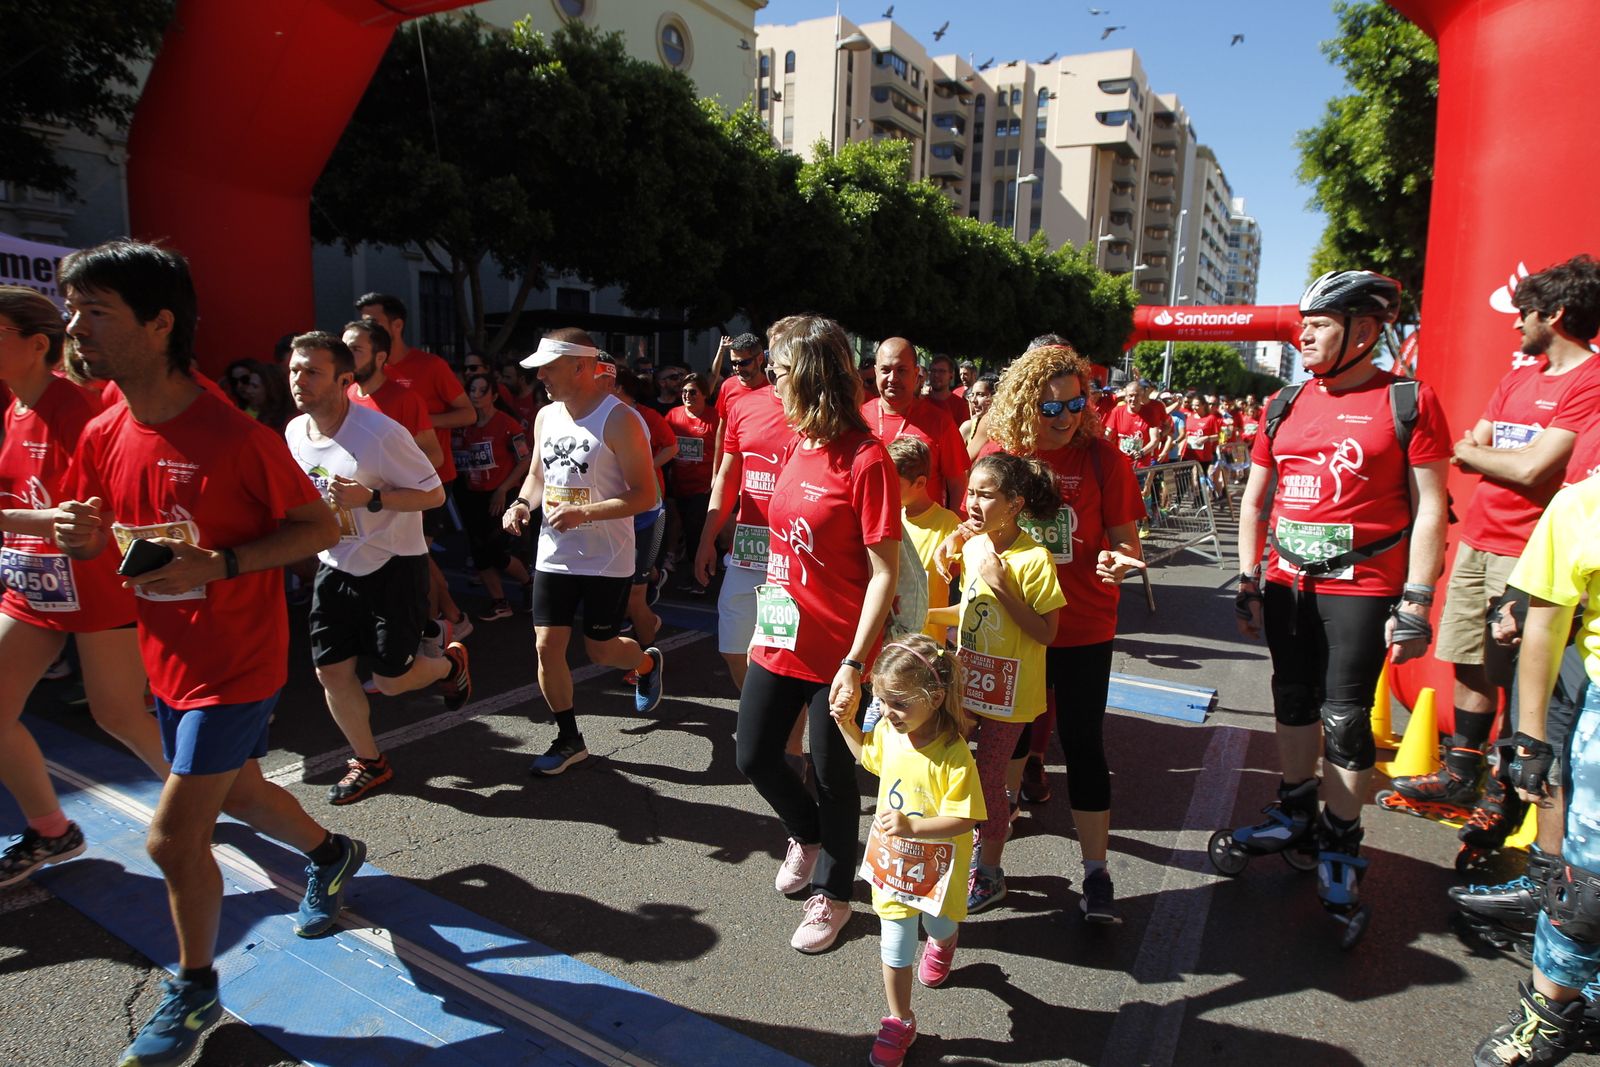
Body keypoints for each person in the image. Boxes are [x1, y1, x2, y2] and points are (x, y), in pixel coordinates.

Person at [51, 241, 364, 1065]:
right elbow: (108, 537)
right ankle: (333, 853)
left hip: (238, 662)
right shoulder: (104, 428)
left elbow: (318, 528)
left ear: (160, 325)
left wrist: (220, 564)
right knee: (246, 795)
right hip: (171, 658)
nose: (74, 328)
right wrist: (85, 538)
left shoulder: (234, 436)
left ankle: (195, 990)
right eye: (72, 309)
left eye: (95, 311)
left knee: (171, 839)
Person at [1226, 270, 1450, 942]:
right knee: (1292, 698)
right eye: (1303, 324)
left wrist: (1417, 600)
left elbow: (1432, 507)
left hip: (1363, 587)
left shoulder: (1407, 400)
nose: (1304, 336)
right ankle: (1296, 809)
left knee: (1347, 717)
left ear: (1363, 330)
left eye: (1319, 325)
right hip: (1286, 582)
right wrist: (1247, 579)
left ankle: (1341, 838)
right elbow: (1254, 500)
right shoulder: (1285, 402)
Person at [1390, 255, 1600, 815]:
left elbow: (1533, 470)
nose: (1516, 323)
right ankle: (1461, 772)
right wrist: (1501, 456)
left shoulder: (1591, 380)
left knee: (1523, 676)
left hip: (1531, 554)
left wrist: (1492, 457)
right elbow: (1465, 448)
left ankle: (1506, 795)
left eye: (1525, 312)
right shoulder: (1518, 377)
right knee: (1467, 657)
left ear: (1554, 314)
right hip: (1478, 539)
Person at [949, 343, 1146, 921]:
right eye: (1050, 407)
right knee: (1000, 752)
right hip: (1007, 633)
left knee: (1083, 746)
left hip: (1082, 628)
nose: (1064, 418)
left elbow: (1127, 543)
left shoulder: (1105, 460)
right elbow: (972, 520)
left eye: (1075, 404)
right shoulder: (1001, 454)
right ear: (1023, 402)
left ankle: (1096, 874)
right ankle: (989, 868)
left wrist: (1120, 561)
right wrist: (958, 539)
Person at [735, 314, 899, 953]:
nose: (769, 382)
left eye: (777, 372)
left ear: (807, 376)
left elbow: (884, 572)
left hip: (839, 652)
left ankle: (834, 892)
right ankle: (807, 835)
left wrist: (856, 662)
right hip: (779, 636)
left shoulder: (867, 459)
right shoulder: (797, 443)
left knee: (834, 777)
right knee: (753, 755)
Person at [0, 285, 171, 886]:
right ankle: (52, 831)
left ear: (36, 344)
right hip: (30, 589)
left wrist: (17, 520)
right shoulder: (13, 410)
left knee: (118, 714)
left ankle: (202, 796)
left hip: (97, 590)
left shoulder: (77, 409)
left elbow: (104, 510)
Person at [283, 332, 471, 804]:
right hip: (334, 564)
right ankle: (369, 761)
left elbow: (434, 494)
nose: (299, 380)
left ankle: (450, 663)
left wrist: (371, 498)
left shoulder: (381, 434)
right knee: (331, 672)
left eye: (312, 371)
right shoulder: (295, 432)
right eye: (294, 370)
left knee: (390, 680)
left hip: (394, 565)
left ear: (344, 380)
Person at [1471, 471, 1600, 1064]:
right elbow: (1545, 622)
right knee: (1586, 887)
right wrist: (1530, 737)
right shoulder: (1583, 504)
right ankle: (1545, 1017)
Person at [503, 329, 664, 775]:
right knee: (546, 646)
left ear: (580, 367)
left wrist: (585, 513)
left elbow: (645, 495)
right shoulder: (545, 416)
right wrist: (522, 504)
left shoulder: (620, 419)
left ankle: (646, 662)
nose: (540, 377)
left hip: (606, 559)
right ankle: (569, 739)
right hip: (554, 554)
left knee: (601, 650)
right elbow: (537, 477)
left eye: (548, 369)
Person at [830, 635, 983, 1067]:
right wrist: (845, 724)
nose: (885, 711)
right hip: (894, 863)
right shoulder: (888, 731)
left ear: (934, 698)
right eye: (880, 700)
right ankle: (900, 1020)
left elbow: (966, 818)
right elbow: (869, 758)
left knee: (939, 925)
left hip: (938, 871)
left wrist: (914, 825)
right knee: (895, 945)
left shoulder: (953, 754)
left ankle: (944, 942)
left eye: (897, 703)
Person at [925, 453, 1065, 914]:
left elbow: (1047, 632)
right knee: (945, 764)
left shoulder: (1035, 559)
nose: (973, 502)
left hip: (1010, 695)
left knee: (988, 780)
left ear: (1014, 504)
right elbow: (970, 611)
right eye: (971, 492)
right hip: (968, 683)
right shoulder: (973, 547)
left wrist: (1001, 583)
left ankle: (989, 871)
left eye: (986, 495)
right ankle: (954, 846)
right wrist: (922, 615)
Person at [354, 293, 474, 636]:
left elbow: (468, 413)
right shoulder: (363, 375)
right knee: (410, 555)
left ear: (397, 325)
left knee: (415, 555)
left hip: (430, 477)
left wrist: (416, 423)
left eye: (373, 321)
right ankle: (449, 619)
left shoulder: (430, 366)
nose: (365, 327)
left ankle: (434, 629)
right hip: (381, 483)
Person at [694, 342, 793, 692]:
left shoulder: (817, 415)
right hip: (747, 549)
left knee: (779, 657)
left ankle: (780, 727)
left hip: (791, 556)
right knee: (733, 648)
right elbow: (727, 477)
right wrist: (707, 540)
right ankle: (761, 716)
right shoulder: (743, 405)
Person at [452, 374, 533, 621]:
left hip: (499, 494)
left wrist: (503, 489)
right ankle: (499, 602)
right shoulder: (463, 423)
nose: (475, 395)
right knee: (478, 551)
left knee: (495, 551)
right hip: (471, 494)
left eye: (482, 391)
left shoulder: (508, 424)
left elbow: (525, 459)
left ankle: (528, 582)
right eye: (472, 390)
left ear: (494, 395)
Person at [863, 338, 969, 511]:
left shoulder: (940, 421)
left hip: (923, 526)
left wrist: (956, 523)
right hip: (868, 523)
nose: (893, 378)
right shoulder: (858, 417)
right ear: (876, 372)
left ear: (916, 373)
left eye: (901, 370)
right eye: (885, 370)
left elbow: (958, 484)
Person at [890, 438, 961, 645]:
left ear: (920, 483)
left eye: (895, 484)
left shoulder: (948, 525)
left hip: (926, 645)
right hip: (889, 640)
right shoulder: (890, 517)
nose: (886, 490)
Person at [667, 373, 718, 596]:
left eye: (693, 392)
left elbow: (723, 450)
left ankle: (702, 578)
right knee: (688, 533)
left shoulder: (714, 417)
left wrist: (716, 479)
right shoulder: (673, 415)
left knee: (696, 531)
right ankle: (695, 573)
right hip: (680, 485)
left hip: (703, 487)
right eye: (684, 392)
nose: (687, 395)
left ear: (704, 394)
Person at [1103, 378, 1171, 469]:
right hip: (1121, 463)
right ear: (1126, 397)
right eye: (1130, 395)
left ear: (1141, 396)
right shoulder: (1117, 411)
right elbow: (1107, 436)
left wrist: (1141, 453)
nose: (1133, 399)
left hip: (1140, 465)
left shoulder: (1150, 413)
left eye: (1137, 395)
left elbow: (1155, 440)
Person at [926, 353, 970, 427]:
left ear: (951, 375)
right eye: (933, 371)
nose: (936, 375)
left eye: (942, 371)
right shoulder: (920, 401)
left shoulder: (960, 406)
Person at [958, 374, 996, 452]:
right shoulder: (968, 427)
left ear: (995, 397)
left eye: (980, 395)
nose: (973, 400)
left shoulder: (1007, 428)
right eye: (972, 395)